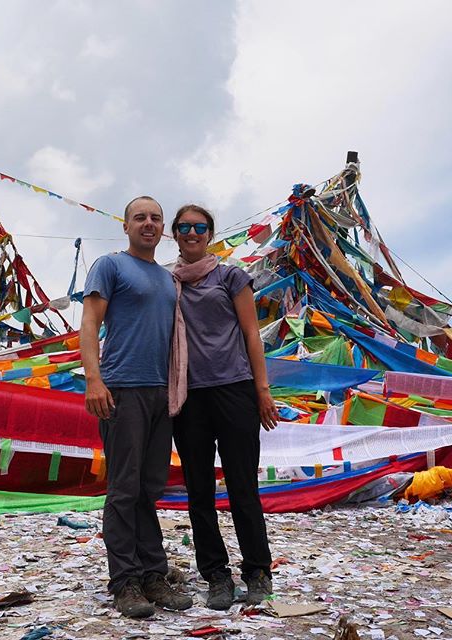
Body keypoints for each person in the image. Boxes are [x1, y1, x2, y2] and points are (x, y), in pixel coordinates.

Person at [80, 196, 193, 619]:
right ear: (125, 226)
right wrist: (94, 379)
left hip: (160, 395)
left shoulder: (168, 280)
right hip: (121, 390)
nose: (148, 224)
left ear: (163, 229)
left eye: (155, 218)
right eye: (139, 217)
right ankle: (124, 582)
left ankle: (153, 575)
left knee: (149, 489)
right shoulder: (110, 266)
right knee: (124, 489)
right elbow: (90, 323)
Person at [169, 204, 278, 610]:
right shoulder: (168, 284)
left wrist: (262, 390)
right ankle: (216, 575)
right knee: (199, 491)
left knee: (242, 487)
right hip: (189, 397)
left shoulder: (231, 276)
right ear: (175, 234)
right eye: (184, 227)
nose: (192, 233)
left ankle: (257, 571)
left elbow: (252, 334)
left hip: (235, 389)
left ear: (210, 233)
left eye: (199, 227)